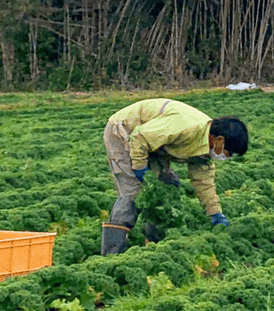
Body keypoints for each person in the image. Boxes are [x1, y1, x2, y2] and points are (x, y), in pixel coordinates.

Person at [102, 98, 249, 255]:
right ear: (219, 140)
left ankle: (153, 243)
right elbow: (140, 137)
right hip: (125, 132)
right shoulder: (186, 128)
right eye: (229, 153)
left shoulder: (206, 149)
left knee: (167, 185)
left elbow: (204, 183)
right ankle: (112, 251)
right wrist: (139, 167)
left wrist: (215, 213)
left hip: (153, 144)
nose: (227, 157)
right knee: (133, 192)